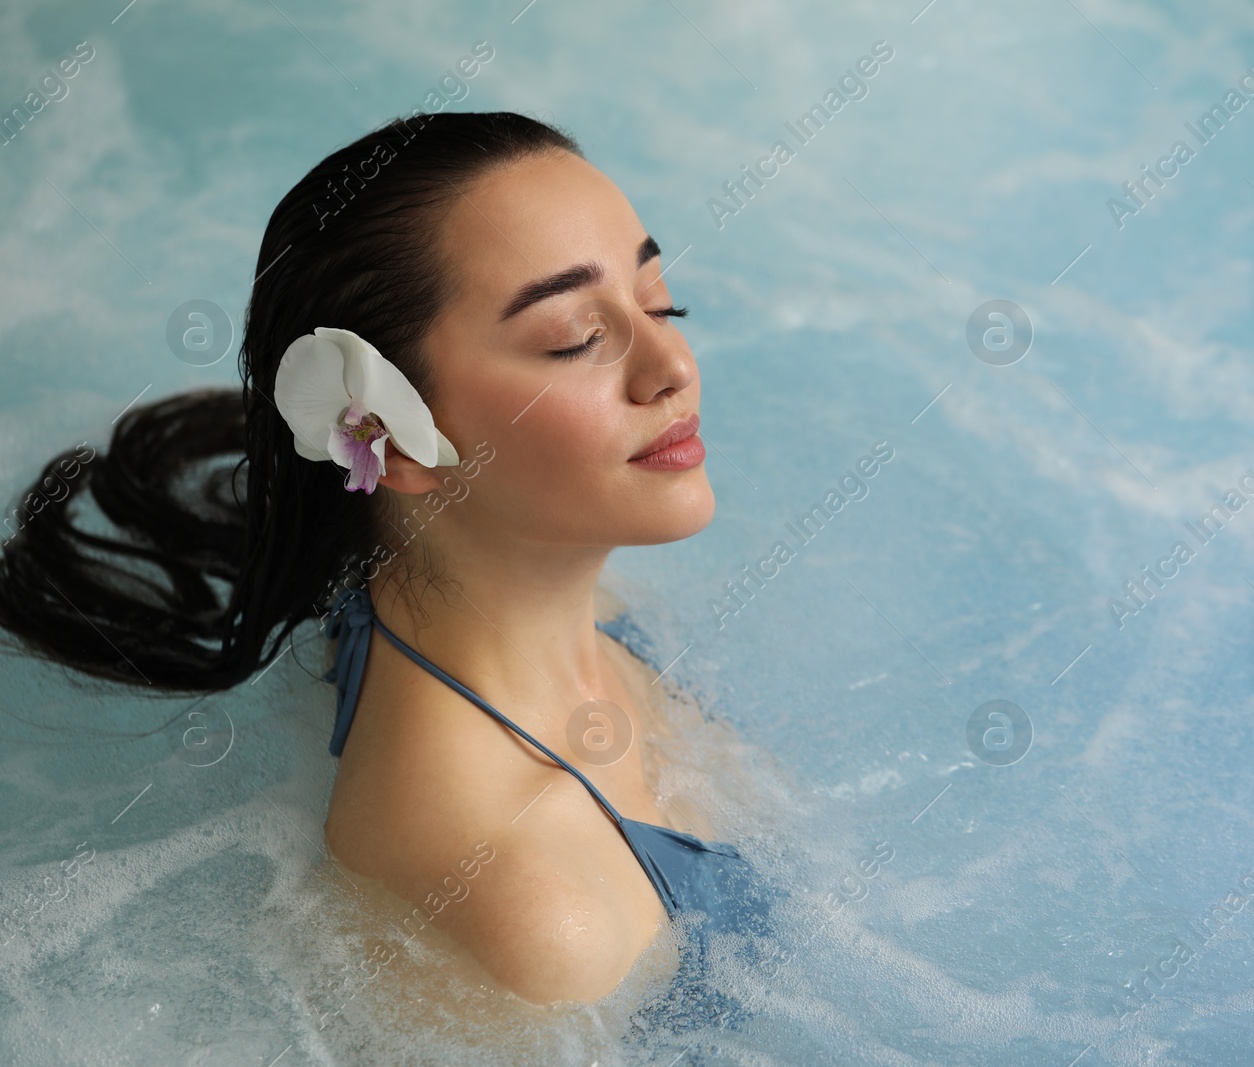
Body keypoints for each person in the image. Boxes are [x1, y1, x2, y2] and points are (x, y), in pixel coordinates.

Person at [0, 112, 781, 1022]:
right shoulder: (535, 920)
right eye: (574, 337)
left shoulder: (510, 583)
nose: (673, 364)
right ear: (393, 442)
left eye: (657, 302)